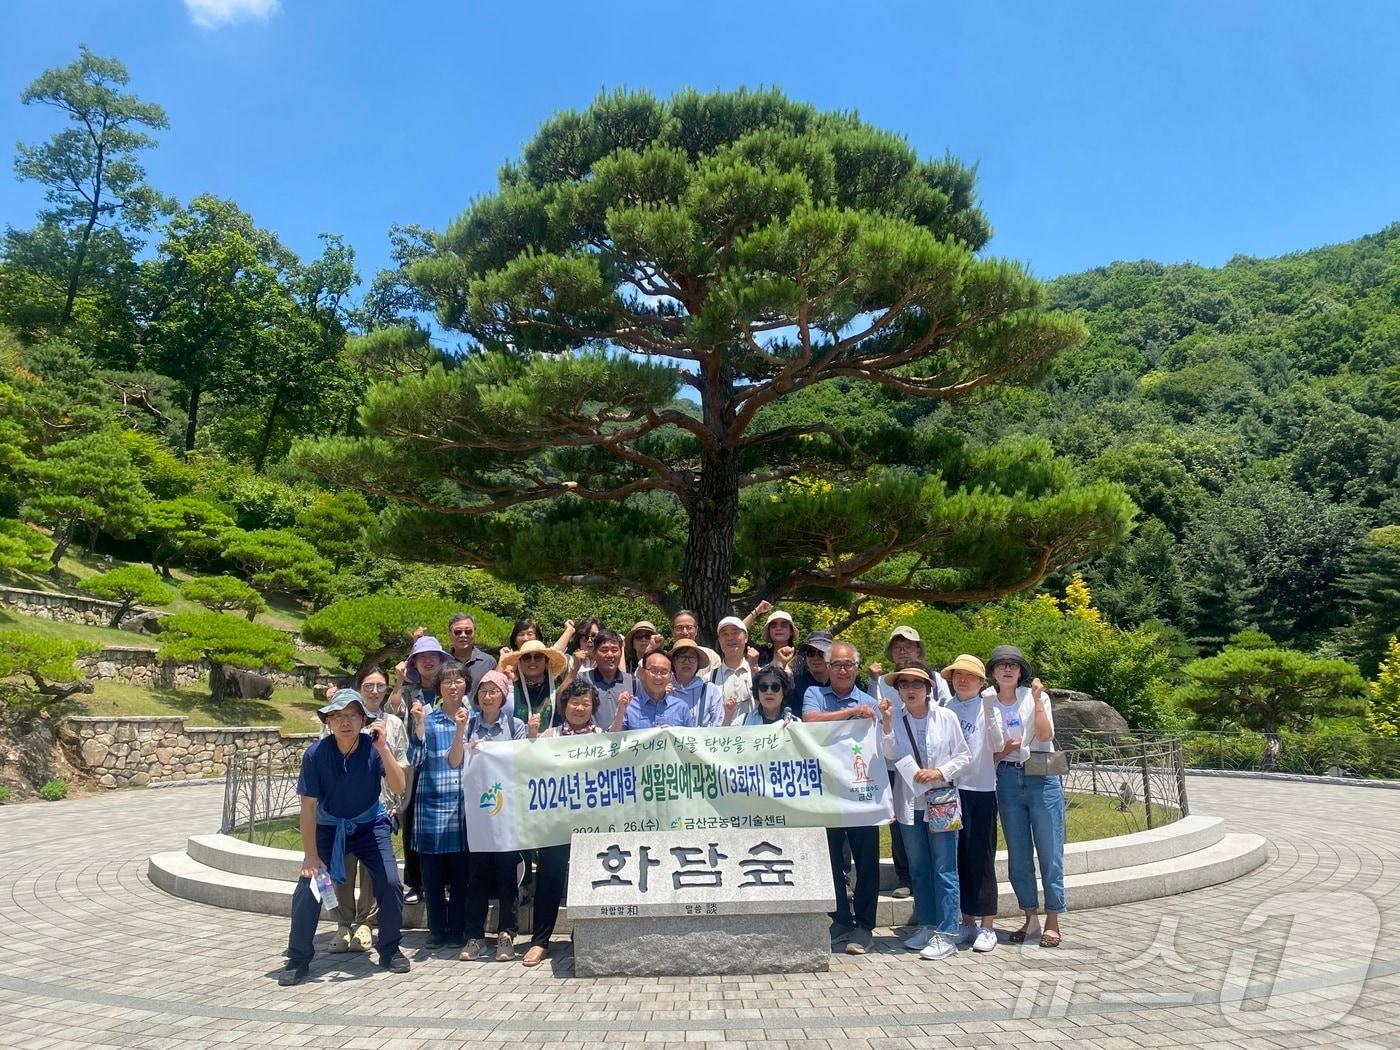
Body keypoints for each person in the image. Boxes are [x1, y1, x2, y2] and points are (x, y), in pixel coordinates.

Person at [278, 689, 410, 986]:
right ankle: (298, 958)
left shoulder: (372, 748)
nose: (345, 722)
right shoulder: (316, 755)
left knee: (389, 882)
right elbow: (308, 807)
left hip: (370, 826)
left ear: (364, 720)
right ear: (328, 721)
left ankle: (390, 949)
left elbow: (399, 787)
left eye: (352, 715)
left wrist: (384, 749)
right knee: (310, 887)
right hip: (329, 831)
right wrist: (311, 855)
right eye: (337, 716)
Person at [877, 664, 969, 961]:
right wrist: (888, 722)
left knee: (944, 868)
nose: (911, 690)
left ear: (928, 687)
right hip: (909, 804)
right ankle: (928, 925)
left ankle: (948, 931)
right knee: (919, 868)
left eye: (917, 684)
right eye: (904, 685)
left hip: (941, 800)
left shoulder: (946, 717)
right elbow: (890, 754)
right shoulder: (897, 718)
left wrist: (939, 771)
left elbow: (964, 755)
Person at [801, 640, 881, 955]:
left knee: (867, 862)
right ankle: (840, 920)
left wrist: (859, 711)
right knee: (831, 860)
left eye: (848, 664)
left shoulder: (870, 700)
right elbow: (810, 721)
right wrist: (850, 713)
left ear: (857, 668)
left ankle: (864, 925)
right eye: (837, 665)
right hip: (826, 792)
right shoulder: (814, 695)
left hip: (861, 792)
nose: (843, 670)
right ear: (828, 667)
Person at [326, 666, 409, 956]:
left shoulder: (394, 725)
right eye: (369, 685)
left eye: (380, 686)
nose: (375, 691)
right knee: (341, 869)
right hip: (341, 811)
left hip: (381, 808)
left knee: (374, 873)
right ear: (359, 688)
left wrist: (398, 808)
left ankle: (366, 922)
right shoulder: (344, 716)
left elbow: (401, 767)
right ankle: (342, 922)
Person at [987, 644, 1065, 948]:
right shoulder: (987, 702)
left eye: (1013, 665)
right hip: (1006, 776)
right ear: (992, 672)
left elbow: (1045, 736)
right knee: (1018, 855)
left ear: (1021, 671)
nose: (1008, 669)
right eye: (1001, 665)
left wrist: (1038, 702)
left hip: (1041, 775)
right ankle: (1030, 917)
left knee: (1050, 851)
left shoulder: (1035, 696)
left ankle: (1053, 919)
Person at [528, 680, 604, 967]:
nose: (580, 708)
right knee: (549, 879)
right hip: (555, 822)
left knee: (587, 879)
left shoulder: (602, 739)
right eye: (574, 702)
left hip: (591, 823)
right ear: (564, 705)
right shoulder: (550, 736)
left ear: (593, 708)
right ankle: (540, 941)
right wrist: (531, 739)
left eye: (586, 703)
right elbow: (530, 768)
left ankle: (580, 936)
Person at [460, 669, 528, 962]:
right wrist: (467, 748)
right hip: (477, 813)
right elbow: (455, 759)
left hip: (508, 812)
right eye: (483, 691)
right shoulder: (468, 725)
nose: (487, 697)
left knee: (506, 875)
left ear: (503, 696)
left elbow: (525, 761)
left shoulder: (516, 725)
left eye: (494, 691)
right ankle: (474, 935)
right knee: (475, 876)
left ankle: (506, 934)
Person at [407, 659, 472, 951]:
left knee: (461, 875)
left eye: (458, 680)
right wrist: (419, 725)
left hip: (464, 807)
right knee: (431, 874)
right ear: (439, 687)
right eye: (447, 681)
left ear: (466, 685)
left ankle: (457, 927)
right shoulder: (429, 719)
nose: (453, 685)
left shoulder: (476, 718)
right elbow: (415, 759)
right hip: (431, 805)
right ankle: (436, 928)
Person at [943, 653, 1005, 953]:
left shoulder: (988, 706)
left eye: (969, 676)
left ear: (981, 681)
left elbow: (999, 744)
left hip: (980, 789)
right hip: (951, 790)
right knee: (959, 857)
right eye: (957, 675)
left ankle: (987, 925)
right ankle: (966, 921)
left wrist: (991, 709)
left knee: (981, 857)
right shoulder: (946, 707)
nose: (962, 680)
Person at [397, 634, 450, 906]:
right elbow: (391, 709)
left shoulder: (451, 689)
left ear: (442, 660)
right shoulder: (408, 693)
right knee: (412, 823)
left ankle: (446, 881)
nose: (428, 661)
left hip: (444, 765)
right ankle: (415, 882)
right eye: (422, 657)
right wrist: (397, 682)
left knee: (448, 824)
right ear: (414, 663)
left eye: (433, 656)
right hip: (414, 765)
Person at [499, 639, 573, 729]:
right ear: (520, 663)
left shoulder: (556, 689)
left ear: (546, 662)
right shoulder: (511, 690)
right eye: (527, 657)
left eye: (538, 657)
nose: (532, 661)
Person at [619, 647, 694, 729]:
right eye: (653, 671)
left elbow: (690, 740)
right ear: (643, 673)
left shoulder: (681, 707)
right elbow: (612, 739)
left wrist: (674, 734)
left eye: (664, 672)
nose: (658, 677)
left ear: (670, 676)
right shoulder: (629, 706)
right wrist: (620, 712)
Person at [577, 628, 632, 732]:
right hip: (593, 744)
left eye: (615, 650)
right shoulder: (582, 679)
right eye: (604, 650)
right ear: (594, 653)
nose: (610, 655)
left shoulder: (633, 682)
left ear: (621, 652)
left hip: (626, 744)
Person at [670, 638, 725, 726]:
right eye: (681, 657)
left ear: (698, 663)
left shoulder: (710, 690)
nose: (686, 662)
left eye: (691, 658)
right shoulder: (663, 690)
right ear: (673, 662)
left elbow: (718, 723)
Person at [711, 615, 757, 722]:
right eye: (725, 634)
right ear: (719, 640)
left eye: (735, 633)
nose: (730, 638)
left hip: (755, 736)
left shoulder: (759, 673)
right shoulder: (709, 678)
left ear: (746, 637)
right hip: (722, 736)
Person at [446, 612, 497, 701]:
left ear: (475, 633)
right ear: (450, 634)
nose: (463, 635)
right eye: (457, 632)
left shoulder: (488, 662)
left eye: (468, 631)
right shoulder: (443, 661)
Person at [790, 630, 834, 720]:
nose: (815, 658)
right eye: (811, 653)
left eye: (822, 653)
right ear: (805, 656)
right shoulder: (794, 684)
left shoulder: (840, 684)